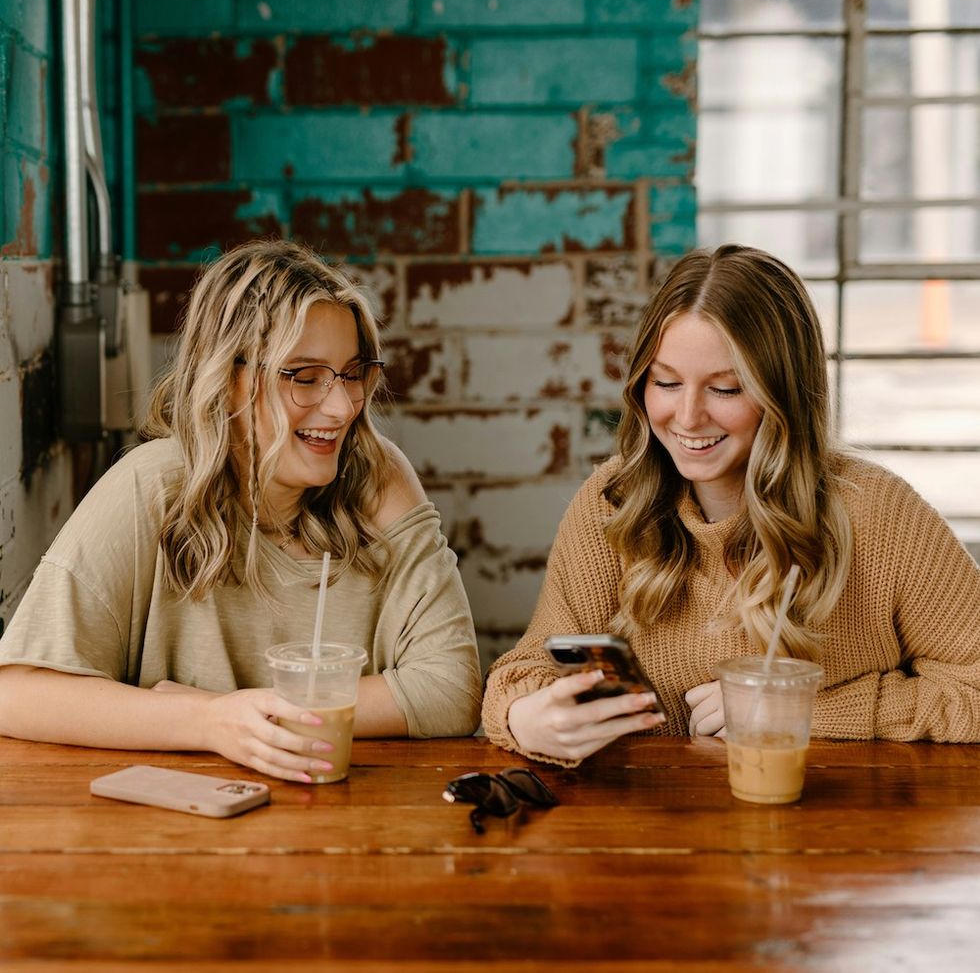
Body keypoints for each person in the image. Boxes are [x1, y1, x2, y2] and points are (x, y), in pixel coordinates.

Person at [0, 239, 482, 781]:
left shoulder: (376, 476)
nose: (343, 406)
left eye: (351, 373)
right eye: (304, 376)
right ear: (228, 379)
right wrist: (206, 721)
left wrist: (246, 711)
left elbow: (452, 688)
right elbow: (16, 692)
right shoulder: (153, 484)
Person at [482, 243, 980, 765]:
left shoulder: (876, 513)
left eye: (725, 389)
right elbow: (523, 671)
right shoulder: (615, 502)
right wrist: (527, 717)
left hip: (832, 828)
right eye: (666, 382)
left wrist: (802, 711)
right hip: (648, 831)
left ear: (783, 393)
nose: (688, 417)